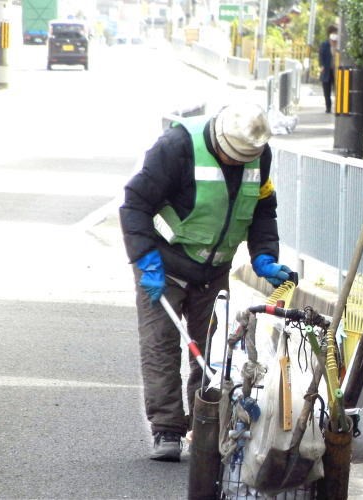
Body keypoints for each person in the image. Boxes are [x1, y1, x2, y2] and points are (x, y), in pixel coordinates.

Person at [120, 103, 298, 461]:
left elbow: (263, 208)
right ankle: (167, 429)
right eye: (231, 159)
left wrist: (264, 255)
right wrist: (145, 259)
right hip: (163, 265)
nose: (236, 165)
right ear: (220, 141)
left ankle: (202, 426)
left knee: (212, 353)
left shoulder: (257, 156)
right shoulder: (175, 149)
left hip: (213, 271)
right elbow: (135, 204)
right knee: (161, 347)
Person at [319, 25, 338, 113]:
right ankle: (328, 107)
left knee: (337, 89)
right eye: (333, 33)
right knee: (327, 90)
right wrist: (321, 65)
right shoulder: (324, 45)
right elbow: (321, 56)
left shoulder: (339, 45)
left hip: (336, 71)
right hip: (327, 70)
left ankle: (338, 106)